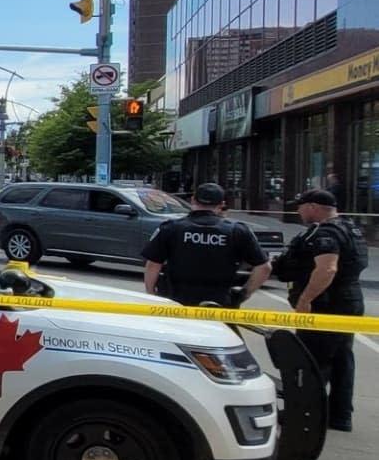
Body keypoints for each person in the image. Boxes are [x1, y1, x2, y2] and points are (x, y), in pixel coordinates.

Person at [271, 189, 365, 432]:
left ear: (312, 206)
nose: (298, 211)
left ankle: (302, 412)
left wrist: (305, 299)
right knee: (342, 359)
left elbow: (328, 268)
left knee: (311, 359)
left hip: (326, 303)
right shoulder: (350, 228)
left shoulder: (326, 233)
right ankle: (340, 415)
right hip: (349, 301)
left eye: (300, 207)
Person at [142, 182, 270, 307]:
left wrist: (151, 293)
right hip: (219, 304)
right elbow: (264, 268)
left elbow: (153, 264)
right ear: (221, 204)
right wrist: (242, 295)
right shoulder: (238, 231)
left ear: (193, 200)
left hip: (175, 303)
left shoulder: (171, 228)